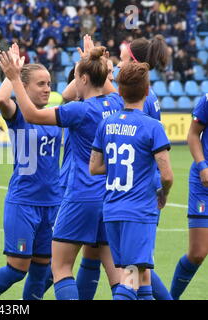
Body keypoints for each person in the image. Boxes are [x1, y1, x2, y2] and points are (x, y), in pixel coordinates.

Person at [0, 46, 123, 300]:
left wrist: (13, 77)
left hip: (81, 195)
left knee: (61, 267)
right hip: (110, 198)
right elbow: (73, 91)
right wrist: (90, 62)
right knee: (118, 271)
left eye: (77, 75)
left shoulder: (79, 110)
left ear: (84, 79)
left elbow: (32, 114)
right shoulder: (117, 102)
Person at [63, 34, 173, 300]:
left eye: (120, 63)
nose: (116, 68)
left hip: (124, 199)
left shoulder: (118, 112)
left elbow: (96, 165)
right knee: (136, 269)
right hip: (140, 196)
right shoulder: (149, 100)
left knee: (133, 270)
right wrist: (93, 66)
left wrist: (92, 65)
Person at [0, 43, 61, 300]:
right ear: (25, 87)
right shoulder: (19, 115)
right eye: (40, 84)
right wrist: (12, 73)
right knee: (17, 269)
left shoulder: (55, 116)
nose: (47, 88)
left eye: (48, 83)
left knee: (41, 270)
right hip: (24, 203)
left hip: (52, 204)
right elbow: (2, 99)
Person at [90, 62, 173, 300]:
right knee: (130, 279)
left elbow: (94, 167)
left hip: (112, 210)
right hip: (138, 212)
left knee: (140, 277)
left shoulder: (106, 123)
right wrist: (163, 193)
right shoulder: (153, 126)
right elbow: (166, 175)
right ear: (147, 91)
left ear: (120, 91)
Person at [170, 92, 208, 299]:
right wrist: (202, 166)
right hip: (204, 183)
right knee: (198, 253)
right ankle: (171, 297)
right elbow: (193, 135)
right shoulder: (207, 100)